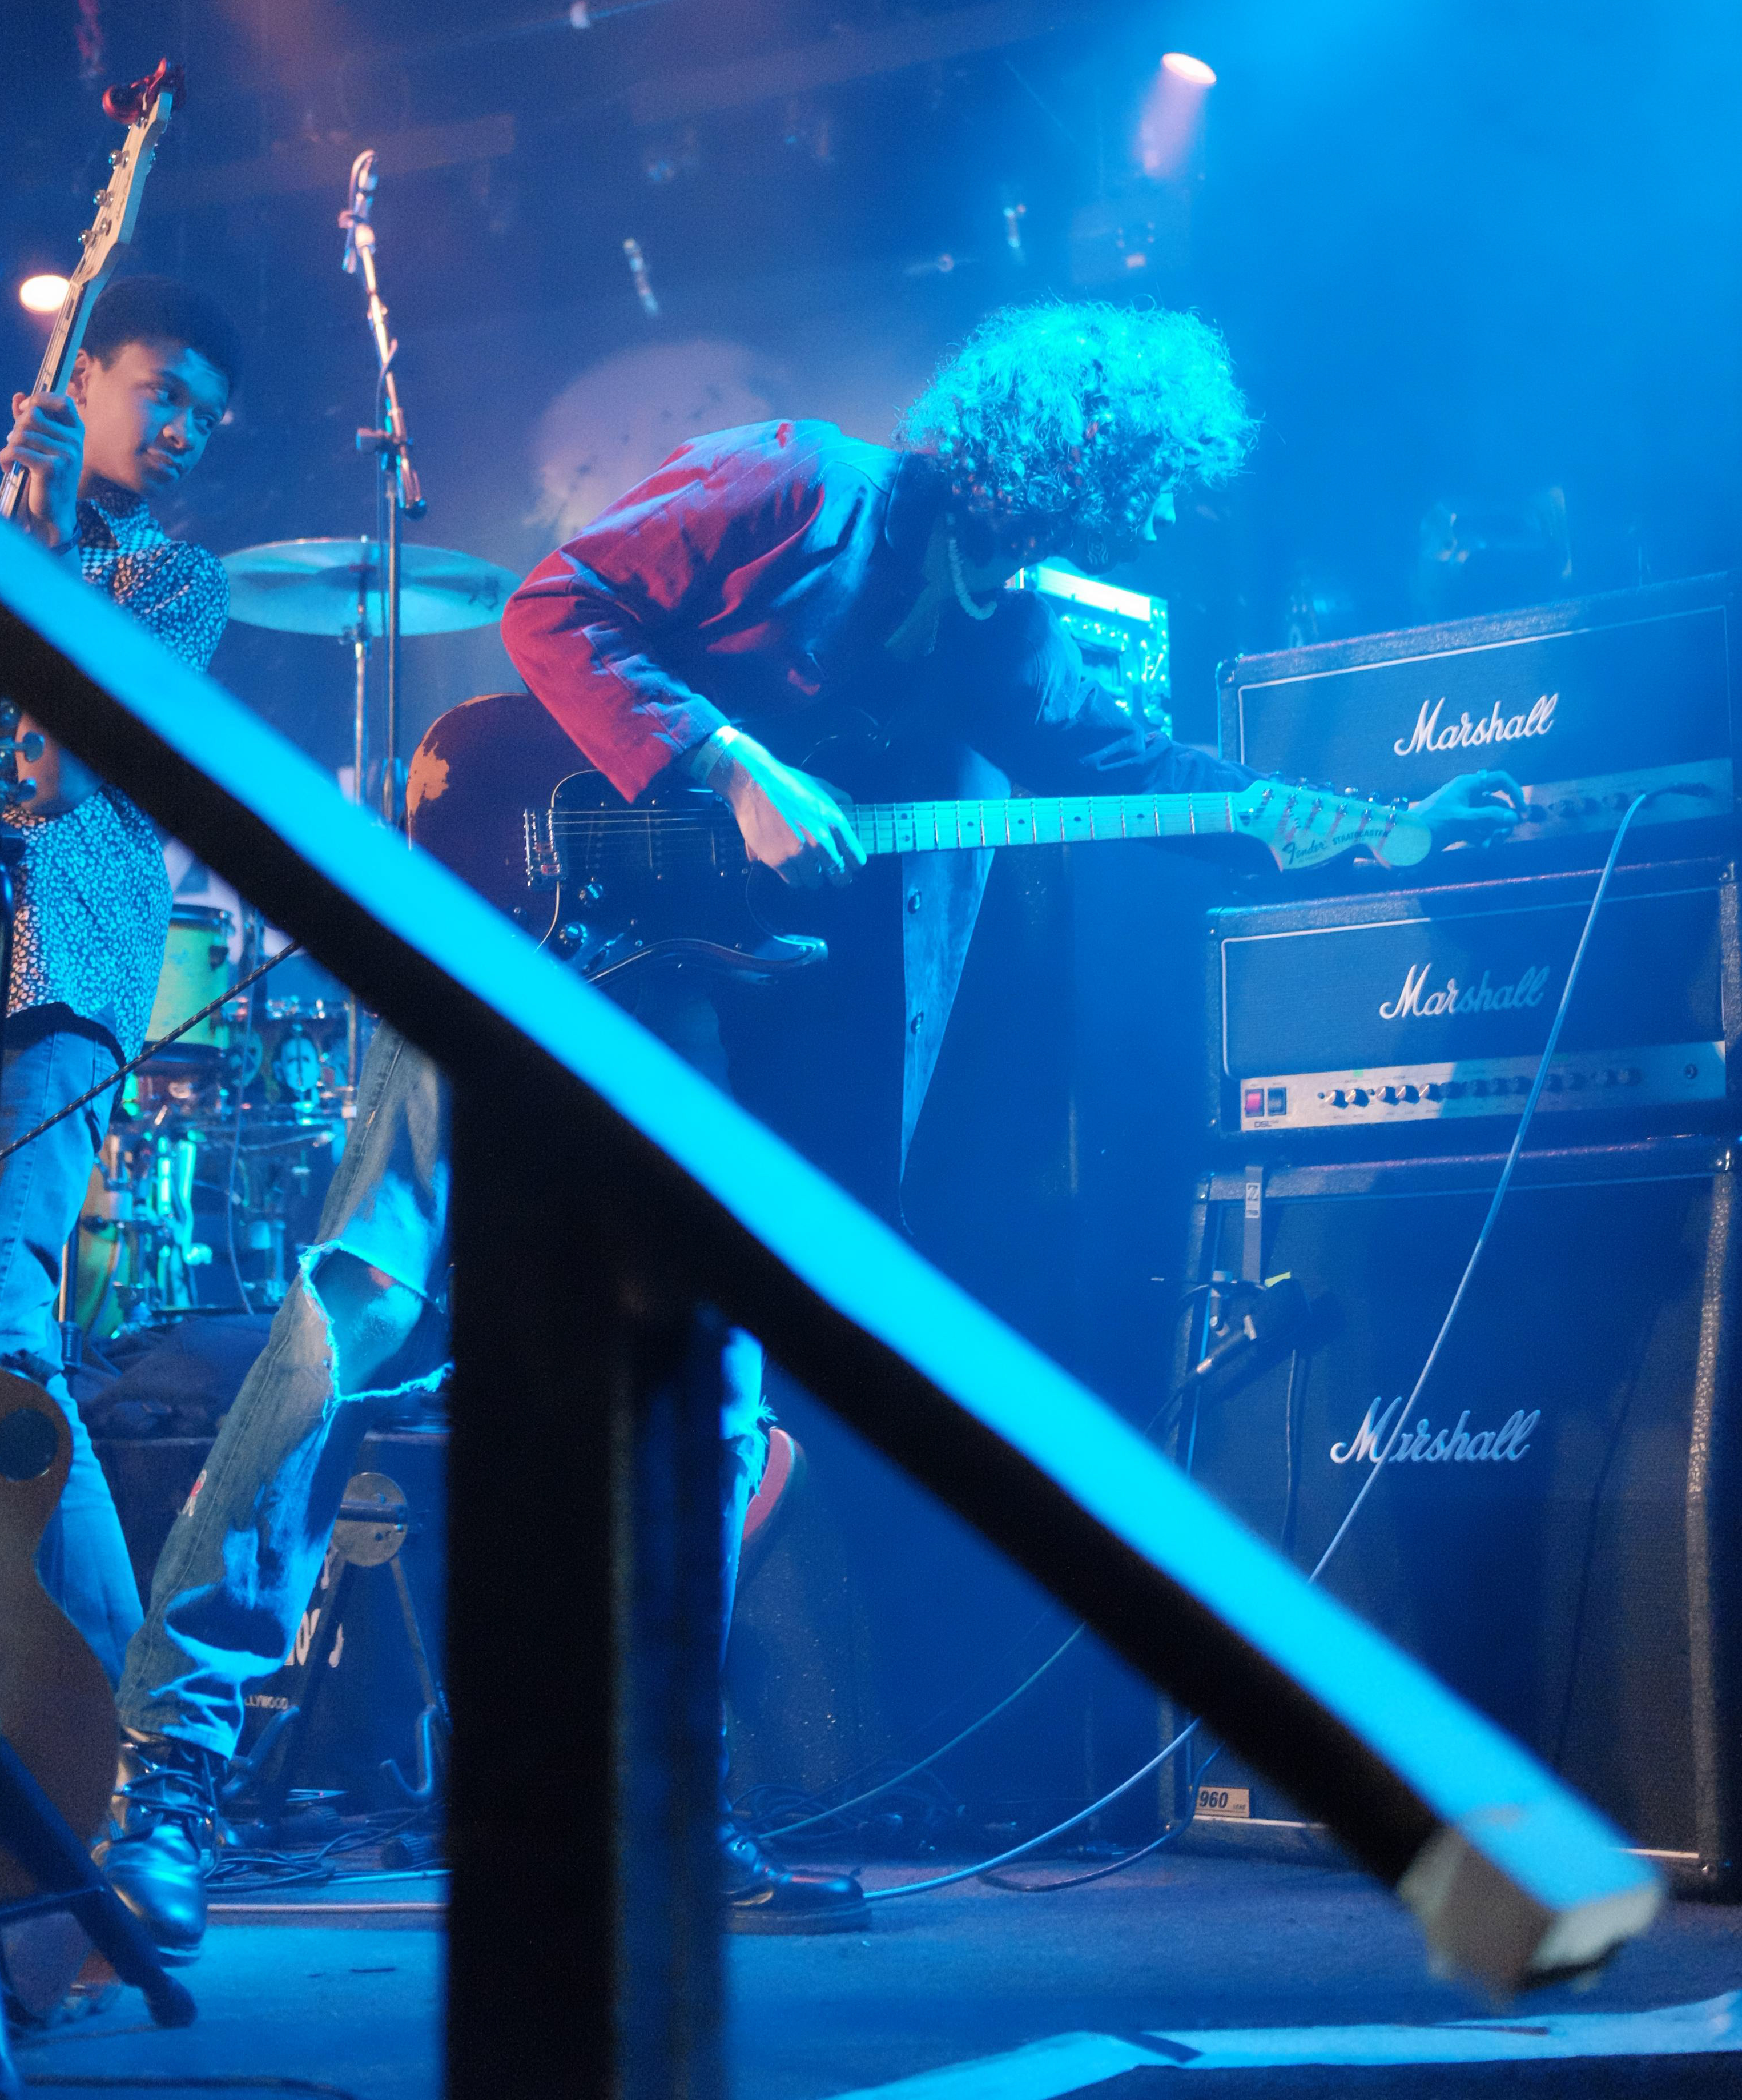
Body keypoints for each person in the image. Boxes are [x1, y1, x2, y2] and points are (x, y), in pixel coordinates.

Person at [103, 300, 1522, 1955]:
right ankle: (171, 1775)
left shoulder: (1002, 632)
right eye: (1102, 473)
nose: (1102, 510)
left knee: (714, 1403)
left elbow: (1133, 764)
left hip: (695, 1017)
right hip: (526, 932)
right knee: (362, 1306)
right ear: (1050, 444)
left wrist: (1356, 830)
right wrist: (728, 763)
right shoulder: (801, 482)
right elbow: (556, 606)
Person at [0, 274, 238, 1685]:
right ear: (77, 380)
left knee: (9, 1328)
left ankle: (128, 1715)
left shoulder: (172, 581)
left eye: (207, 416)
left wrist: (37, 554)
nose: (186, 431)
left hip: (57, 980)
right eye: (165, 393)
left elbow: (51, 769)